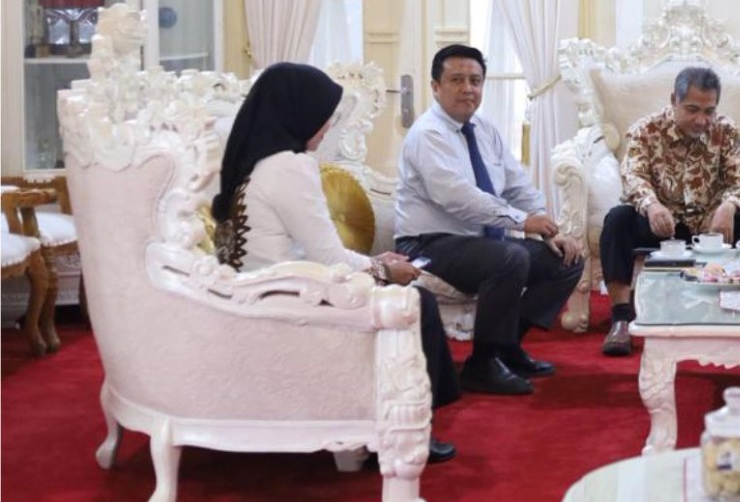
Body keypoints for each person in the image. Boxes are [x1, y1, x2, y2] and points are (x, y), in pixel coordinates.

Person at [213, 63, 459, 464]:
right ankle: (405, 428)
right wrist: (384, 271)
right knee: (415, 303)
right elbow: (326, 258)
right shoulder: (290, 167)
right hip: (287, 306)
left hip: (258, 296)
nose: (327, 126)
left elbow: (309, 253)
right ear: (298, 112)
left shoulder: (254, 162)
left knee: (402, 292)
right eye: (322, 115)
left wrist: (375, 262)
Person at [394, 45, 584, 397]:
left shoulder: (484, 129)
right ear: (436, 87)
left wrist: (549, 229)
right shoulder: (428, 134)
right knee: (510, 258)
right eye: (456, 80)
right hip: (428, 243)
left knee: (566, 260)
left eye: (475, 80)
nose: (468, 88)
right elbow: (458, 198)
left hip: (478, 241)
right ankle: (482, 364)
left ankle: (506, 348)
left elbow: (517, 183)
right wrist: (521, 221)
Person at [598, 66, 740, 357]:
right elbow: (633, 175)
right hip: (664, 224)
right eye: (692, 109)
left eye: (709, 111)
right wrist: (651, 205)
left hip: (712, 225)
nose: (702, 120)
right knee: (617, 220)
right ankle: (622, 319)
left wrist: (728, 206)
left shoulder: (726, 131)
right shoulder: (647, 130)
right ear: (674, 100)